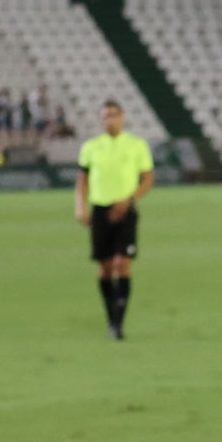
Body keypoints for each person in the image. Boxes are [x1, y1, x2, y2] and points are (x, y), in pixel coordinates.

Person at [73, 100, 154, 340]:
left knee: (122, 264)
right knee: (105, 268)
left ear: (122, 117)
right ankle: (111, 317)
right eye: (106, 116)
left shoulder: (136, 145)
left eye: (114, 115)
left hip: (126, 209)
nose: (110, 119)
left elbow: (147, 179)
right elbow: (82, 181)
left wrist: (128, 200)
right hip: (100, 210)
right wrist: (80, 207)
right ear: (102, 120)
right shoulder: (91, 147)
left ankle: (118, 323)